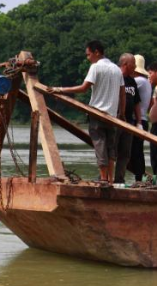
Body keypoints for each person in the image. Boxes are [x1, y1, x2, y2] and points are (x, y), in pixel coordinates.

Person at [49, 40, 124, 183]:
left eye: (88, 54)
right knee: (110, 148)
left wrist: (60, 89)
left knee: (100, 145)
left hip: (97, 113)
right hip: (113, 116)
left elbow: (83, 88)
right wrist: (122, 114)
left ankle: (103, 178)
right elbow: (122, 94)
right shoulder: (116, 69)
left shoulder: (95, 67)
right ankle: (110, 178)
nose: (88, 58)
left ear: (97, 52)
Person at [114, 53, 141, 184]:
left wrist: (139, 122)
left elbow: (136, 103)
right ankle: (106, 178)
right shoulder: (115, 77)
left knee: (125, 153)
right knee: (111, 150)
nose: (135, 67)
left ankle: (119, 179)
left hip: (128, 122)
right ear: (125, 64)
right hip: (114, 119)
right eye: (133, 64)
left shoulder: (132, 81)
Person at [130, 54, 152, 181]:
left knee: (135, 152)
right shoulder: (147, 82)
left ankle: (139, 178)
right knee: (138, 152)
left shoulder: (138, 81)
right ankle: (140, 178)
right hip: (143, 120)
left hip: (136, 120)